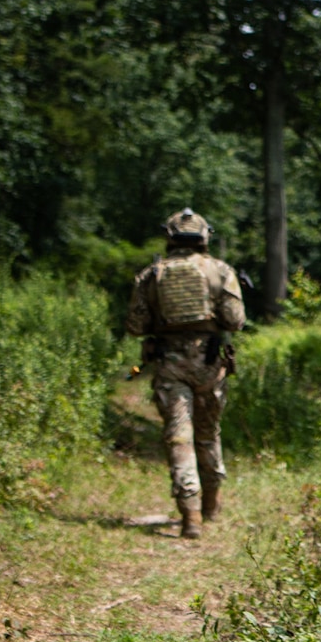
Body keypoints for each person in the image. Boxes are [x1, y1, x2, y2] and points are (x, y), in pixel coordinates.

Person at [125, 209, 246, 539]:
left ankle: (190, 515)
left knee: (179, 437)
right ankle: (211, 506)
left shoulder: (152, 275)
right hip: (209, 364)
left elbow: (135, 326)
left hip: (170, 364)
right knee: (208, 433)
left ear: (170, 237)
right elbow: (235, 320)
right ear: (204, 237)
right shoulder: (220, 270)